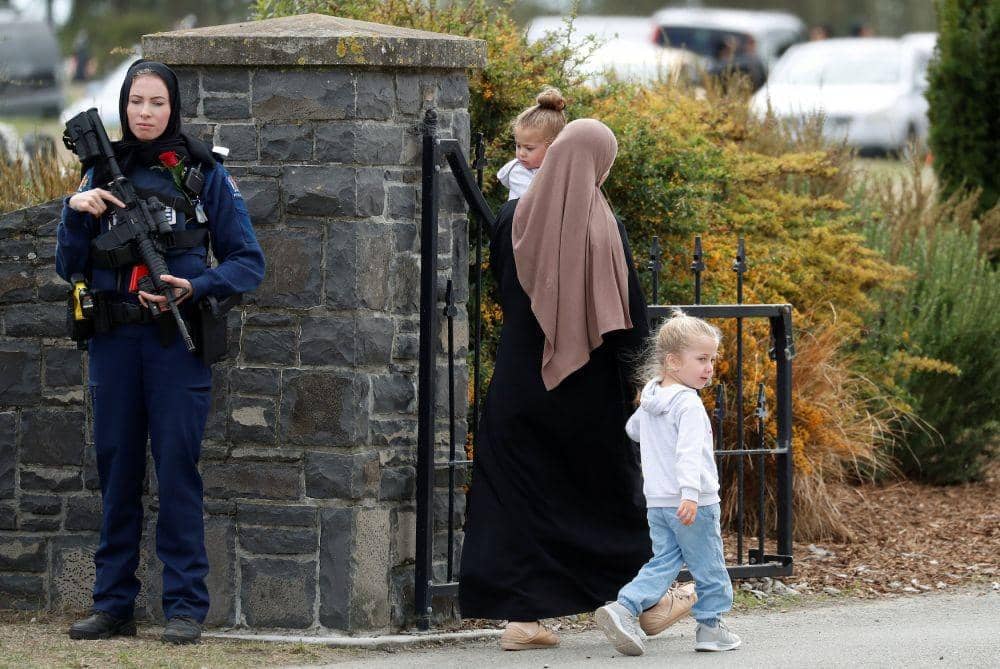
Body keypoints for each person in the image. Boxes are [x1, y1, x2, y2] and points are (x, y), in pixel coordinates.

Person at [460, 118, 690, 651]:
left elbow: (500, 289)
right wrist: (643, 379)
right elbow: (629, 315)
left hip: (520, 380)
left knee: (519, 495)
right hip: (587, 391)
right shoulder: (603, 224)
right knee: (607, 493)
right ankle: (647, 604)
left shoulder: (513, 217)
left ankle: (522, 619)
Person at [56, 59, 265, 644]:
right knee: (117, 470)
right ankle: (113, 603)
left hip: (176, 342)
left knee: (177, 471)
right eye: (136, 103)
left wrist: (196, 287)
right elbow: (67, 266)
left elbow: (250, 261)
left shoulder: (200, 173)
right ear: (123, 106)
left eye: (157, 103)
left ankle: (183, 607)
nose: (145, 114)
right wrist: (76, 216)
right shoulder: (97, 170)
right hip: (114, 342)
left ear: (173, 108)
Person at [594, 310, 739, 656]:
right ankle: (711, 627)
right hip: (694, 501)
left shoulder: (653, 397)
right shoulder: (688, 403)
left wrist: (648, 412)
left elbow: (633, 431)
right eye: (702, 359)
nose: (709, 367)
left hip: (658, 502)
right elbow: (689, 454)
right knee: (708, 563)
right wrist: (690, 494)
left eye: (712, 359)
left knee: (664, 561)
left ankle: (624, 607)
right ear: (673, 361)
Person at [496, 87, 566, 200]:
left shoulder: (561, 168)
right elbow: (537, 200)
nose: (521, 154)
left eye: (529, 148)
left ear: (553, 147)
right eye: (518, 146)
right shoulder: (518, 171)